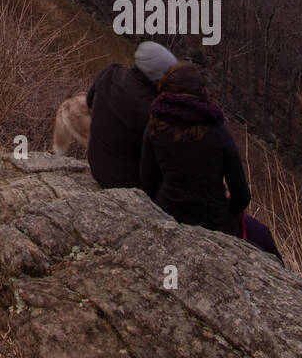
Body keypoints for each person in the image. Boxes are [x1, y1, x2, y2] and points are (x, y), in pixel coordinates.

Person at [139, 63, 283, 263]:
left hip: (168, 213)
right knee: (263, 237)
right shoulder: (218, 133)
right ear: (201, 93)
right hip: (215, 221)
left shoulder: (154, 127)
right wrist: (225, 209)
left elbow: (147, 180)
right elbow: (241, 196)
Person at [85, 41, 178, 188]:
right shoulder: (150, 108)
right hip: (126, 182)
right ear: (158, 78)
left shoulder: (110, 72)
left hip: (96, 165)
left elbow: (89, 101)